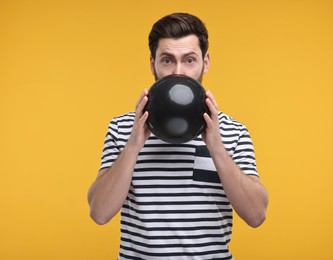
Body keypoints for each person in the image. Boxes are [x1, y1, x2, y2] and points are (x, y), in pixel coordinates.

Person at [88, 12, 268, 259]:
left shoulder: (233, 131)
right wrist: (133, 146)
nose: (178, 72)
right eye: (167, 60)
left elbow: (257, 215)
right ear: (153, 64)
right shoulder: (122, 129)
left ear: (205, 62)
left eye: (189, 60)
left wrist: (216, 148)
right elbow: (99, 213)